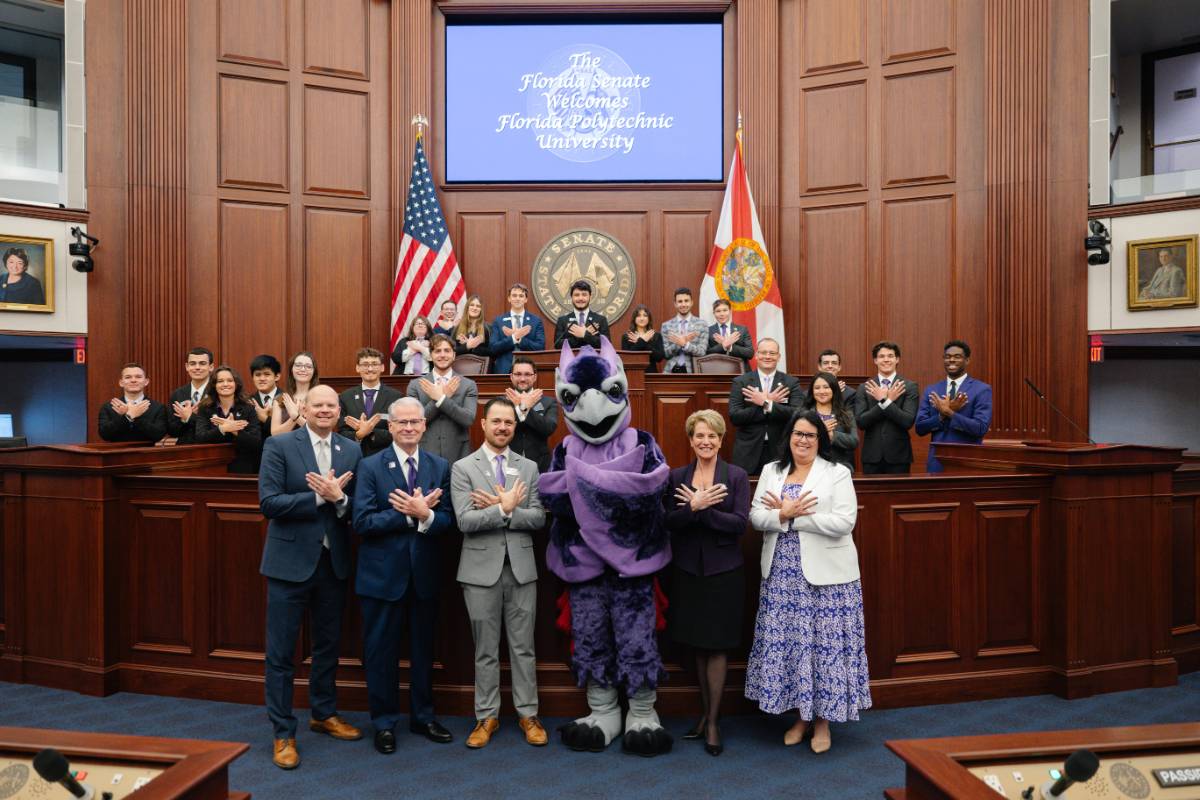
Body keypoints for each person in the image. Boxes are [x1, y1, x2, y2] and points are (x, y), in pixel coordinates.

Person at [745, 409, 871, 753]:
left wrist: (794, 517)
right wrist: (782, 513)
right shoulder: (772, 471)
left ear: (821, 440)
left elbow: (844, 521)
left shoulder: (837, 473)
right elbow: (757, 516)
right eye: (798, 433)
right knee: (794, 646)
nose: (803, 440)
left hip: (827, 578)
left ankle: (823, 723)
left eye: (810, 435)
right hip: (782, 576)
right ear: (789, 436)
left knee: (823, 648)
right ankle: (800, 716)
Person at [258, 384, 363, 770]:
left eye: (330, 405)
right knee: (282, 653)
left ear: (339, 410)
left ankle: (323, 713)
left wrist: (340, 499)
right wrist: (319, 497)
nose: (323, 410)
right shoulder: (280, 446)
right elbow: (268, 503)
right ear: (303, 407)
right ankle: (283, 731)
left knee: (327, 645)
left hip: (332, 564)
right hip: (288, 565)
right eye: (316, 404)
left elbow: (355, 510)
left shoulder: (351, 449)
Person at [353, 397, 455, 752]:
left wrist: (427, 517)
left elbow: (449, 522)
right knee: (381, 654)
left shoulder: (440, 466)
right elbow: (362, 522)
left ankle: (423, 717)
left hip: (424, 575)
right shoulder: (370, 466)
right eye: (402, 423)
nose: (409, 428)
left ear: (424, 426)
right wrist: (411, 514)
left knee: (424, 652)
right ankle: (383, 723)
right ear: (390, 427)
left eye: (415, 422)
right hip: (381, 578)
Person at [450, 397, 548, 748]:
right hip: (479, 572)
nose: (503, 427)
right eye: (496, 421)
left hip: (522, 570)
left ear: (514, 426)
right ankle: (486, 717)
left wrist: (503, 509)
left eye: (509, 422)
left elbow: (538, 518)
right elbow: (464, 521)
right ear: (484, 424)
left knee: (524, 648)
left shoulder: (529, 468)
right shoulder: (463, 468)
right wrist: (505, 508)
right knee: (485, 650)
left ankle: (528, 714)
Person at [664, 409, 750, 757]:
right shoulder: (675, 477)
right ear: (691, 440)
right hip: (687, 571)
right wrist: (690, 508)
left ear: (720, 439)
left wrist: (702, 509)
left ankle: (713, 722)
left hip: (723, 572)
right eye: (700, 435)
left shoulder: (737, 475)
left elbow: (739, 524)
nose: (706, 441)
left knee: (716, 646)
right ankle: (704, 714)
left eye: (712, 435)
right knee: (698, 645)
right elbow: (668, 521)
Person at [915, 340, 993, 473]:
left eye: (957, 356)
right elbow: (920, 428)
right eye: (947, 356)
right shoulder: (932, 390)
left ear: (967, 360)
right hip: (937, 463)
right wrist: (941, 415)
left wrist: (950, 412)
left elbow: (980, 428)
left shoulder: (981, 389)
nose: (951, 360)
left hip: (967, 462)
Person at [728, 338, 803, 476]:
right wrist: (767, 404)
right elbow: (735, 417)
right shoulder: (741, 382)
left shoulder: (791, 382)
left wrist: (766, 403)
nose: (767, 356)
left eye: (772, 353)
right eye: (763, 352)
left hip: (781, 450)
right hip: (747, 451)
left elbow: (798, 414)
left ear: (778, 356)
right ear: (756, 355)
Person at [406, 334, 479, 463]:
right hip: (425, 453)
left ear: (454, 355)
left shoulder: (468, 385)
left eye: (447, 351)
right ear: (430, 355)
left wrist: (441, 399)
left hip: (459, 454)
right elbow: (414, 422)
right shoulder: (416, 385)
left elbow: (468, 419)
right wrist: (439, 399)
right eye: (437, 351)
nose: (442, 355)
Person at [854, 341, 918, 475]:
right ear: (875, 360)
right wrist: (886, 402)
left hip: (899, 455)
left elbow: (907, 421)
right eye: (882, 356)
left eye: (890, 356)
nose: (886, 359)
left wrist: (884, 401)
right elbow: (861, 422)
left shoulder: (909, 386)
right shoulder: (864, 387)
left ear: (897, 359)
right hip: (872, 456)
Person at [194, 365, 264, 474]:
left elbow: (256, 442)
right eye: (220, 381)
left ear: (236, 384)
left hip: (243, 467)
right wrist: (223, 428)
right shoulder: (205, 408)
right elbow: (200, 437)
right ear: (214, 385)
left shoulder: (248, 408)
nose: (225, 384)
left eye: (230, 380)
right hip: (213, 466)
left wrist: (235, 430)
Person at [339, 347, 402, 458]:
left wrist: (370, 431)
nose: (370, 368)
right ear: (357, 368)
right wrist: (359, 435)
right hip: (354, 458)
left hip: (385, 458)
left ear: (382, 367)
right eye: (365, 364)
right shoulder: (345, 397)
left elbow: (398, 431)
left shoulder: (395, 397)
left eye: (374, 364)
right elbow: (342, 433)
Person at [505, 355, 558, 472]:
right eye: (518, 374)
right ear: (511, 377)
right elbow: (503, 428)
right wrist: (524, 407)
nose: (522, 379)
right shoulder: (500, 402)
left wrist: (525, 408)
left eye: (527, 374)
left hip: (540, 465)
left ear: (534, 377)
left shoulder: (549, 401)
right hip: (507, 463)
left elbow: (548, 428)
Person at [97, 362, 168, 444]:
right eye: (128, 377)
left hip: (146, 454)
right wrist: (128, 417)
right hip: (116, 454)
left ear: (146, 381)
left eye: (138, 377)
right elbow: (104, 434)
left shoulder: (158, 407)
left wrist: (136, 418)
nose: (133, 380)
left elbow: (158, 435)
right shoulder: (109, 407)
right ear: (121, 382)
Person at [804, 371, 858, 473]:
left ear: (833, 389)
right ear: (812, 391)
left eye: (826, 387)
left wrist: (831, 435)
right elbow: (794, 439)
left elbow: (854, 441)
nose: (821, 391)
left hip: (839, 468)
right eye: (817, 388)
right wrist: (819, 432)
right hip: (809, 468)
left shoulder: (846, 414)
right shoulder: (803, 414)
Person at [489, 282, 546, 374]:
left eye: (521, 296)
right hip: (504, 371)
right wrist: (513, 338)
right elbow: (493, 348)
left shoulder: (536, 321)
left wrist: (520, 339)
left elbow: (540, 347)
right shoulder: (498, 321)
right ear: (509, 298)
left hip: (529, 372)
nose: (517, 298)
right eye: (514, 295)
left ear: (526, 299)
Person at [167, 347, 216, 444]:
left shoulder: (217, 392)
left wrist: (190, 417)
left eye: (202, 363)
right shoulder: (177, 394)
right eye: (192, 364)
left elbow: (216, 428)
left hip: (210, 449)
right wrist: (183, 420)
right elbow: (172, 431)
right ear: (187, 367)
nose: (197, 367)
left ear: (211, 367)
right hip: (184, 450)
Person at [660, 287, 710, 373]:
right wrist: (678, 344)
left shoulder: (702, 324)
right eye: (680, 301)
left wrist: (685, 344)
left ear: (691, 302)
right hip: (670, 372)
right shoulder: (666, 326)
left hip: (694, 371)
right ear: (675, 304)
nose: (683, 304)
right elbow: (665, 354)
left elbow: (702, 352)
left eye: (686, 301)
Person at [272, 352, 319, 437]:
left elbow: (320, 432)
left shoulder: (321, 398)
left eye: (308, 366)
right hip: (286, 448)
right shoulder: (280, 399)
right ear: (291, 369)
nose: (303, 369)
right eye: (298, 365)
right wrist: (293, 419)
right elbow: (275, 434)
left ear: (314, 372)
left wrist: (296, 416)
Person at [553, 280, 609, 349]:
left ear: (590, 297)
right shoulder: (562, 321)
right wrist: (579, 336)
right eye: (576, 295)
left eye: (584, 295)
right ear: (571, 297)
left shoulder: (601, 320)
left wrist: (585, 335)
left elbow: (606, 345)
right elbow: (557, 345)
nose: (580, 298)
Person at [706, 299, 753, 369]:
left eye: (725, 310)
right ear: (714, 313)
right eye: (718, 311)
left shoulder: (742, 329)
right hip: (717, 371)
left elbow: (750, 353)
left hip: (740, 371)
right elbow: (705, 354)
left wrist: (730, 347)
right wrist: (723, 345)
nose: (722, 314)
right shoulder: (708, 331)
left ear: (730, 311)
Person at [622, 304, 665, 373]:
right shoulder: (627, 336)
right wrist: (642, 341)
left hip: (651, 374)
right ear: (634, 318)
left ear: (649, 318)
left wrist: (643, 343)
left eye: (645, 315)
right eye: (638, 315)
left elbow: (659, 357)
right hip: (632, 374)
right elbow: (627, 357)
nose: (642, 318)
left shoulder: (656, 335)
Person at [249, 354, 282, 441]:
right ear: (252, 377)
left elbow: (289, 432)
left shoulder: (287, 399)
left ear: (277, 376)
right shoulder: (247, 402)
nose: (262, 378)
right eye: (258, 375)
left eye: (267, 374)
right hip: (256, 452)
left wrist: (265, 419)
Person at [453, 294, 491, 360]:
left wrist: (474, 347)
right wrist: (467, 346)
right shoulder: (457, 328)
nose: (474, 308)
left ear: (481, 310)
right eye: (472, 305)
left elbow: (492, 351)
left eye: (478, 306)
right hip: (460, 366)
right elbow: (452, 351)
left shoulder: (488, 328)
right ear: (467, 307)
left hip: (482, 368)